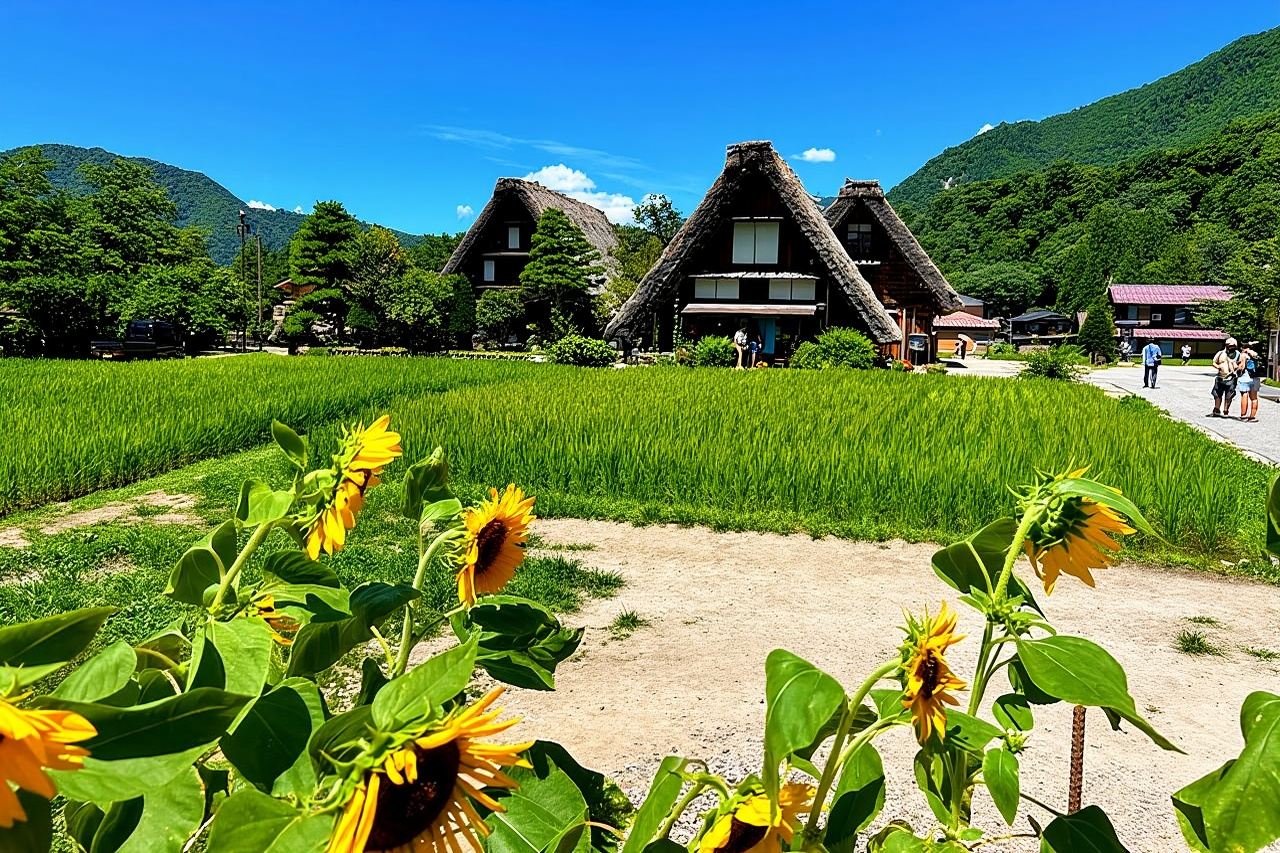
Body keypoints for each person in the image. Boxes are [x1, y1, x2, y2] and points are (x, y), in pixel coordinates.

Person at [1209, 337, 1244, 418]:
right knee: (1217, 394)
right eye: (1230, 345)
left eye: (1233, 346)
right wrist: (1218, 367)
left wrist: (1237, 368)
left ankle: (1226, 410)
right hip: (1220, 377)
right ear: (1226, 345)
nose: (1231, 347)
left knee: (1229, 395)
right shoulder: (1220, 353)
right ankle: (1217, 409)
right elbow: (1214, 362)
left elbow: (1241, 364)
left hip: (1232, 378)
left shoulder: (1238, 354)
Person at [1238, 343, 1262, 422]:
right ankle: (1252, 417)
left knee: (1244, 395)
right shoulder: (1256, 355)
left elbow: (1241, 367)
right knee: (1254, 398)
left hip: (1245, 377)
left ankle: (1243, 415)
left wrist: (1237, 367)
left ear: (1244, 348)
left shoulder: (1243, 355)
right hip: (1256, 378)